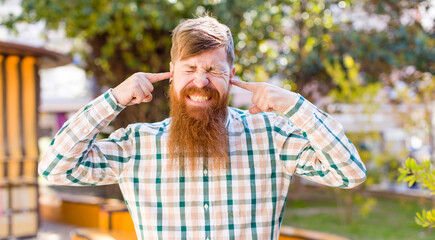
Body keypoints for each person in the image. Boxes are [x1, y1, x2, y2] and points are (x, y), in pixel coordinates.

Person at [39, 15, 366, 240]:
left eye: (213, 69)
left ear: (232, 74)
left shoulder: (272, 137)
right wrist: (112, 101)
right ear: (171, 72)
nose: (200, 80)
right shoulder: (135, 146)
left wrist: (295, 106)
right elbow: (55, 169)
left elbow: (349, 173)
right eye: (190, 68)